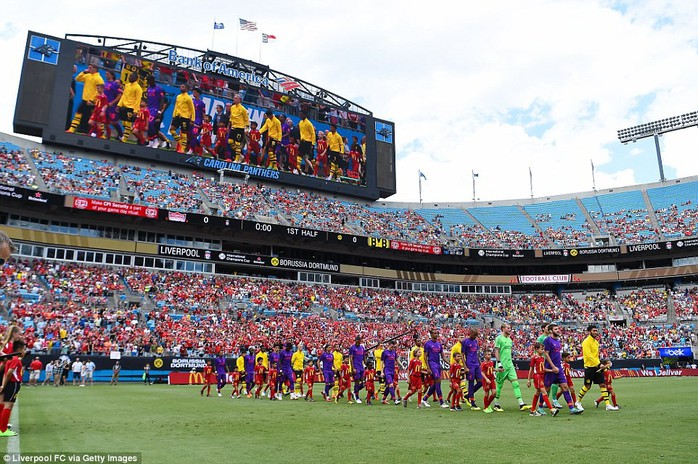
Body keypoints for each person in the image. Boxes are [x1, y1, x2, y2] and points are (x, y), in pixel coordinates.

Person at [484, 323, 530, 413]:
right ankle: (496, 404)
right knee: (499, 385)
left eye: (510, 328)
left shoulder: (509, 340)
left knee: (516, 384)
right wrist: (499, 363)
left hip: (510, 365)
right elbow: (496, 351)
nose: (510, 329)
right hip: (502, 365)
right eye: (508, 328)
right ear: (503, 328)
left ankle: (521, 404)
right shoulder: (499, 338)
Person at [575, 325, 619, 411]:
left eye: (596, 331)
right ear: (589, 332)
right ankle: (578, 401)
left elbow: (595, 356)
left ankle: (607, 405)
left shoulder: (596, 342)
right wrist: (599, 364)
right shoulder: (586, 342)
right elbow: (588, 355)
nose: (595, 332)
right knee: (587, 386)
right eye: (594, 331)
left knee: (602, 384)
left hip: (596, 366)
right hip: (589, 367)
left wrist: (599, 364)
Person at [544, 324, 582, 415]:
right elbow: (546, 354)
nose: (558, 330)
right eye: (555, 329)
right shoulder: (547, 340)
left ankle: (571, 408)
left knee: (565, 387)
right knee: (546, 388)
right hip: (551, 369)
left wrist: (558, 366)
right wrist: (553, 366)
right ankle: (540, 407)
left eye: (558, 329)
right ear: (550, 331)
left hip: (559, 368)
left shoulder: (557, 341)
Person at [66, 63, 105, 134]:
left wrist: (92, 100)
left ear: (95, 69)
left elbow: (98, 91)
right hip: (85, 100)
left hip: (92, 102)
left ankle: (96, 133)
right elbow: (78, 78)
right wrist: (83, 72)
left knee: (92, 118)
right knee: (79, 113)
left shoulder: (99, 78)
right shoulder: (87, 75)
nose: (88, 69)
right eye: (88, 67)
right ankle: (72, 129)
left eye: (90, 68)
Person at [0, 340, 26, 437]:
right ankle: (3, 430)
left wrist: (2, 385)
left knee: (3, 404)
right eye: (24, 349)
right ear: (19, 349)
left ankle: (2, 427)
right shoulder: (16, 359)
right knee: (8, 405)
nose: (24, 351)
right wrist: (3, 385)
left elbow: (5, 373)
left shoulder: (10, 359)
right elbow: (9, 373)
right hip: (13, 384)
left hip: (9, 384)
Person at [527, 342, 558, 417]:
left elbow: (543, 369)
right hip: (537, 376)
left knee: (538, 392)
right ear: (537, 349)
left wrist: (552, 370)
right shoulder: (534, 358)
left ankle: (533, 411)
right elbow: (531, 369)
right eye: (541, 349)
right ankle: (551, 409)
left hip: (542, 376)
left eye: (543, 349)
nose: (543, 350)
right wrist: (529, 380)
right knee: (544, 392)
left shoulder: (542, 358)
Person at [423, 328, 449, 408]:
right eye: (434, 333)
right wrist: (428, 367)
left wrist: (449, 363)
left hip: (438, 364)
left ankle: (424, 399)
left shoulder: (439, 344)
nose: (436, 335)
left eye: (437, 333)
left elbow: (443, 356)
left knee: (436, 383)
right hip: (432, 364)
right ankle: (441, 402)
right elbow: (425, 356)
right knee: (437, 380)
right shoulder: (428, 344)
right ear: (431, 334)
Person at [168, 84, 195, 153]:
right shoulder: (178, 96)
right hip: (177, 116)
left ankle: (182, 149)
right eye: (180, 86)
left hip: (185, 117)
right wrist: (174, 115)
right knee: (172, 130)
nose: (181, 88)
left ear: (186, 89)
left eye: (183, 87)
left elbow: (192, 109)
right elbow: (176, 106)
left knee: (184, 133)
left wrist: (192, 119)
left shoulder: (188, 98)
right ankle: (180, 143)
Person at [117, 72, 143, 143]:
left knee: (128, 124)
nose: (129, 77)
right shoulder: (127, 85)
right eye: (129, 76)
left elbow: (138, 100)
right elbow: (123, 96)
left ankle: (124, 139)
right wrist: (119, 105)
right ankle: (139, 135)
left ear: (135, 78)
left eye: (131, 76)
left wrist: (135, 111)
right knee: (124, 124)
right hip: (124, 106)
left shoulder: (138, 88)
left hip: (131, 108)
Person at [144, 75, 168, 148]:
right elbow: (148, 99)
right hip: (149, 108)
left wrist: (159, 111)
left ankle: (156, 141)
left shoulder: (159, 89)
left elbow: (162, 100)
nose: (148, 82)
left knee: (151, 123)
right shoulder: (148, 89)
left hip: (155, 109)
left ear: (152, 80)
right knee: (147, 125)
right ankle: (151, 142)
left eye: (149, 80)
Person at [463, 328, 484, 410]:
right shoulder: (465, 341)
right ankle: (472, 402)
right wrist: (465, 366)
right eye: (474, 335)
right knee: (471, 383)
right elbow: (462, 354)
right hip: (470, 364)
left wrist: (479, 363)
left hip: (476, 364)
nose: (475, 337)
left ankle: (468, 396)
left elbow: (476, 353)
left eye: (476, 335)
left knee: (480, 382)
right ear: (470, 333)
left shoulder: (475, 342)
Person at [227, 93, 250, 163]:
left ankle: (237, 159)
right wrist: (229, 126)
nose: (234, 99)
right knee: (230, 142)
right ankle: (240, 155)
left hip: (240, 128)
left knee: (238, 144)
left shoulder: (243, 109)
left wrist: (246, 128)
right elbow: (231, 117)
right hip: (233, 127)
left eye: (236, 98)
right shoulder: (232, 107)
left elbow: (246, 119)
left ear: (240, 100)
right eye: (234, 98)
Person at [381, 340, 400, 405]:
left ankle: (383, 399)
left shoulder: (394, 352)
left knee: (388, 386)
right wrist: (382, 372)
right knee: (391, 385)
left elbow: (397, 360)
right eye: (392, 346)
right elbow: (382, 362)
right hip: (387, 370)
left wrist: (401, 365)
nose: (393, 348)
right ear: (389, 345)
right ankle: (395, 399)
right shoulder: (385, 352)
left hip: (392, 371)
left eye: (394, 347)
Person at [348, 335, 366, 404]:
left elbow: (363, 356)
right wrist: (353, 368)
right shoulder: (352, 348)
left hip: (361, 366)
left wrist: (365, 363)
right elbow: (351, 358)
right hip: (356, 367)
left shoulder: (362, 347)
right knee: (357, 381)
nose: (358, 343)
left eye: (359, 341)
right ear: (355, 341)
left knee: (364, 382)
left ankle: (354, 392)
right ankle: (357, 397)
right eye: (357, 341)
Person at [298, 110, 316, 175]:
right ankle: (307, 170)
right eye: (300, 114)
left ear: (304, 115)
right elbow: (301, 132)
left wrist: (312, 144)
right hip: (302, 141)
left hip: (308, 142)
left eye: (301, 114)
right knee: (305, 157)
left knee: (301, 155)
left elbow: (313, 134)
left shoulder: (309, 123)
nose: (300, 115)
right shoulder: (300, 123)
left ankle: (298, 169)